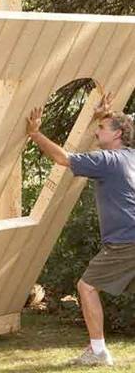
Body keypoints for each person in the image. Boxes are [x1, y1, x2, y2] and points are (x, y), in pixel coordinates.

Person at [26, 95, 135, 366]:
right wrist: (102, 118)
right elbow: (116, 128)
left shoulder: (108, 160)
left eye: (101, 129)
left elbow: (63, 158)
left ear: (118, 134)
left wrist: (35, 134)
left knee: (86, 287)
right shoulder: (129, 157)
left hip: (126, 241)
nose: (97, 132)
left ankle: (98, 352)